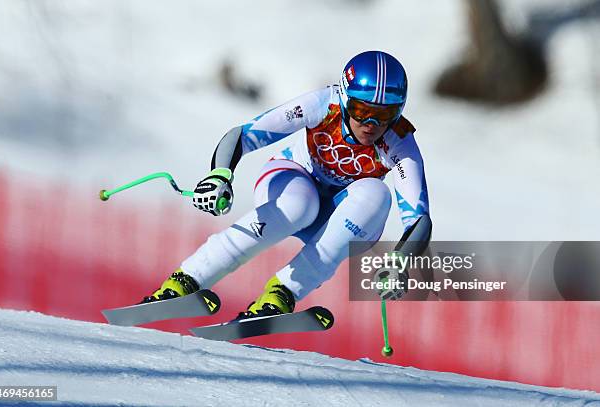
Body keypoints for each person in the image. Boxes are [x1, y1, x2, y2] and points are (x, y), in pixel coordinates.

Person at [143, 50, 432, 318]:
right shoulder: (322, 104)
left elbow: (418, 220)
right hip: (292, 182)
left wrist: (400, 263)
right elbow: (243, 135)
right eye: (359, 110)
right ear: (344, 98)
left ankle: (282, 293)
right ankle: (187, 278)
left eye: (384, 115)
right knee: (299, 205)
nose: (370, 123)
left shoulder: (400, 141)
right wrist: (220, 175)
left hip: (340, 218)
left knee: (376, 193)